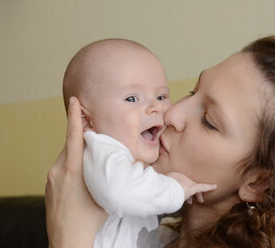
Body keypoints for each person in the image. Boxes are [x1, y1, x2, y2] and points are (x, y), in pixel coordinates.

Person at [46, 36, 275, 247]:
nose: (171, 115)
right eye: (193, 92)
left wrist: (68, 237)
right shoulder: (156, 235)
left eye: (208, 121)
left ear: (258, 182)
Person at [61, 39, 217, 248]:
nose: (156, 108)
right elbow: (120, 191)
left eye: (161, 96)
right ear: (86, 120)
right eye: (132, 99)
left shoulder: (132, 163)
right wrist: (176, 189)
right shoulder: (103, 149)